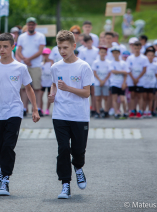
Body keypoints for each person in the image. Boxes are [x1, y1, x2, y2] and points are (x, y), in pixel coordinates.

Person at [0, 33, 40, 196]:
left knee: (8, 146)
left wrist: (35, 109)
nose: (2, 49)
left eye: (5, 46)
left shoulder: (20, 67)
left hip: (14, 111)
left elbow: (28, 89)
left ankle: (5, 179)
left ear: (13, 47)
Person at [48, 30, 94, 199]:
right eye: (59, 47)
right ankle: (65, 184)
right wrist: (52, 94)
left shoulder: (84, 67)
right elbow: (54, 84)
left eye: (65, 47)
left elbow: (86, 93)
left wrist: (67, 88)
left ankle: (78, 167)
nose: (62, 51)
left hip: (79, 115)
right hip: (60, 114)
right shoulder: (55, 66)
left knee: (78, 150)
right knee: (63, 149)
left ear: (74, 46)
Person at [17, 17, 46, 117]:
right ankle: (25, 108)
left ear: (35, 25)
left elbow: (40, 50)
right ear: (27, 25)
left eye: (32, 24)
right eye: (29, 24)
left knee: (37, 88)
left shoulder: (40, 36)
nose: (31, 26)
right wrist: (25, 59)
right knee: (24, 88)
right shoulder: (22, 37)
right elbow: (18, 50)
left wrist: (29, 59)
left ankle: (38, 108)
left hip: (36, 65)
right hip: (25, 66)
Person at [126, 41, 149, 118]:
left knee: (140, 96)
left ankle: (140, 111)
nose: (136, 50)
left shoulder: (144, 58)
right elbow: (128, 69)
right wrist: (133, 79)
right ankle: (132, 110)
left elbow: (144, 69)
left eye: (138, 48)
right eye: (135, 48)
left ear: (140, 48)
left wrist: (137, 78)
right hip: (132, 80)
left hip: (140, 81)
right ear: (132, 48)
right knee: (132, 95)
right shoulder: (130, 58)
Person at [78, 35, 99, 116]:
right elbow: (80, 62)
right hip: (85, 74)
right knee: (85, 92)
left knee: (93, 92)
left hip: (94, 74)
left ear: (92, 42)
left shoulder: (96, 50)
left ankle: (94, 108)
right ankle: (85, 108)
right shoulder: (82, 51)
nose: (89, 44)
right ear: (85, 43)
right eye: (87, 42)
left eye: (90, 42)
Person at [108, 46, 129, 119]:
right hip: (114, 83)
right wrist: (122, 71)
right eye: (114, 53)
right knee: (115, 99)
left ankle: (125, 112)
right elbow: (113, 71)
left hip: (121, 83)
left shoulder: (123, 63)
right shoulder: (111, 63)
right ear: (112, 54)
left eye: (117, 53)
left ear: (119, 53)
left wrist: (124, 83)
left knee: (123, 99)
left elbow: (126, 74)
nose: (115, 54)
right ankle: (116, 112)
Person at [92, 46, 111, 118]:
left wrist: (104, 80)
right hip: (97, 82)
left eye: (104, 52)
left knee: (105, 97)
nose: (103, 53)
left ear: (106, 54)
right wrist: (100, 80)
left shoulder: (108, 62)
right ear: (99, 53)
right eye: (101, 52)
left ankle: (105, 111)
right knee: (97, 98)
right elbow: (94, 72)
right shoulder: (95, 62)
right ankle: (98, 111)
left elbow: (109, 73)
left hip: (105, 82)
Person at [142, 48, 157, 118]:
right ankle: (144, 110)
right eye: (149, 55)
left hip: (152, 83)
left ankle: (149, 111)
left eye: (152, 55)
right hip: (145, 83)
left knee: (150, 98)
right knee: (144, 98)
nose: (150, 57)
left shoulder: (155, 65)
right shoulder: (144, 65)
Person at [41, 48, 53, 115]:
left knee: (49, 96)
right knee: (40, 96)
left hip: (50, 83)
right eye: (44, 55)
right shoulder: (42, 64)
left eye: (47, 54)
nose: (46, 56)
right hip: (43, 82)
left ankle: (47, 109)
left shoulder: (52, 64)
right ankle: (41, 108)